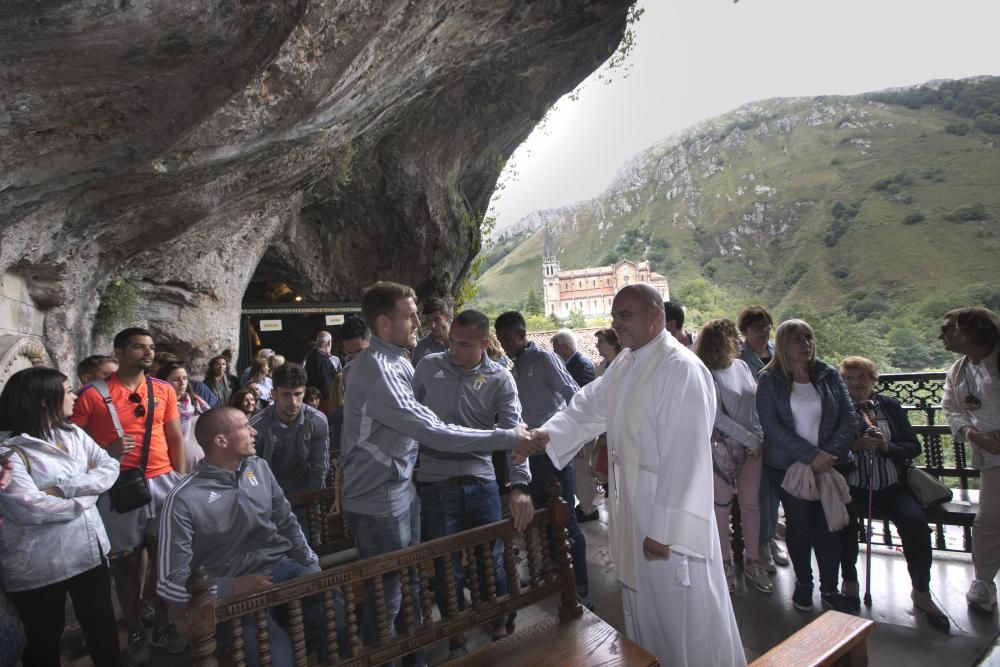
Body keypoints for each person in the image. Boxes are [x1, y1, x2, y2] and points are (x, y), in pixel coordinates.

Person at [520, 283, 744, 666]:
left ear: (655, 315)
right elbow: (588, 406)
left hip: (666, 520)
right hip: (632, 510)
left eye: (625, 315)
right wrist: (548, 434)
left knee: (680, 614)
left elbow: (686, 456)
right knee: (642, 608)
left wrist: (663, 528)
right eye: (614, 316)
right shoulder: (627, 363)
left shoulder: (681, 369)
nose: (616, 324)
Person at [340, 281, 531, 661]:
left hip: (403, 488)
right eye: (410, 316)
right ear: (383, 324)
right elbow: (431, 430)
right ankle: (380, 658)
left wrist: (516, 474)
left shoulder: (398, 362)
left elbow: (426, 422)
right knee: (386, 593)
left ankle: (413, 656)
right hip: (378, 497)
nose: (419, 323)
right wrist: (508, 437)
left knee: (410, 580)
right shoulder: (380, 369)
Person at [157, 408, 341, 667]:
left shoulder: (258, 468)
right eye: (245, 426)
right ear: (221, 441)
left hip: (280, 567)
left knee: (337, 615)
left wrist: (311, 566)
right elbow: (168, 582)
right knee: (276, 658)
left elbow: (287, 521)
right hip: (229, 590)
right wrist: (231, 587)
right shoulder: (183, 499)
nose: (254, 431)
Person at [412, 309, 533, 654]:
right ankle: (456, 633)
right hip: (434, 483)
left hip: (482, 482)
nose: (453, 351)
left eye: (463, 345)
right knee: (446, 567)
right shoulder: (428, 367)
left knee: (491, 560)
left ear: (483, 343)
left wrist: (520, 486)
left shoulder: (499, 379)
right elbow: (407, 423)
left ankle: (496, 622)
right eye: (451, 341)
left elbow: (517, 436)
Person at [72, 327, 189, 663]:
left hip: (163, 481)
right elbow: (77, 448)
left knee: (164, 557)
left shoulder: (163, 389)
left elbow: (175, 437)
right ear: (119, 352)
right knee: (126, 562)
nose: (147, 352)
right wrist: (107, 451)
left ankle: (164, 622)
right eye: (138, 347)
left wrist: (179, 479)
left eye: (150, 347)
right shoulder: (92, 395)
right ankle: (135, 626)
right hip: (120, 485)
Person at [0, 367, 122, 667]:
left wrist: (66, 488)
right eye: (67, 390)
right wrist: (86, 500)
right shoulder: (10, 451)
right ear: (44, 400)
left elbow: (108, 466)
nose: (74, 395)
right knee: (43, 638)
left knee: (102, 627)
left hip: (89, 552)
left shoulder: (73, 433)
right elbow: (30, 507)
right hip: (39, 565)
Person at [838, 356, 948, 629]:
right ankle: (849, 581)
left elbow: (913, 447)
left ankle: (921, 590)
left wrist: (887, 447)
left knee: (916, 525)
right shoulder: (838, 408)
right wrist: (857, 446)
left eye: (861, 377)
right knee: (843, 525)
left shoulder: (890, 406)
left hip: (892, 486)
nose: (855, 384)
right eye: (849, 379)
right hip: (854, 485)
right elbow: (831, 450)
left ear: (873, 379)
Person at [756, 319, 856, 613]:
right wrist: (810, 455)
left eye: (809, 338)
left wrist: (829, 454)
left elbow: (848, 417)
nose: (806, 345)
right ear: (784, 344)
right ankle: (804, 584)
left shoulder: (827, 374)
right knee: (800, 527)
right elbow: (771, 425)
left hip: (829, 464)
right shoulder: (769, 380)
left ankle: (829, 588)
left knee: (829, 526)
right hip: (788, 466)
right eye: (798, 339)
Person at [494, 310, 590, 605]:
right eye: (501, 340)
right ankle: (557, 577)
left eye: (509, 339)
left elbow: (573, 394)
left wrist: (575, 435)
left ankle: (580, 587)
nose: (505, 344)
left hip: (551, 452)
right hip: (528, 455)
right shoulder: (515, 369)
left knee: (565, 520)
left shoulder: (545, 359)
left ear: (523, 335)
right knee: (544, 520)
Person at [696, 319, 772, 595]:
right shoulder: (706, 373)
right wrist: (751, 439)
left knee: (751, 506)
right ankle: (724, 562)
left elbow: (755, 405)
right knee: (722, 507)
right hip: (721, 449)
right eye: (734, 336)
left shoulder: (740, 367)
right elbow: (715, 416)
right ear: (721, 341)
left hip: (752, 448)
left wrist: (758, 437)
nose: (740, 341)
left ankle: (753, 560)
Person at [940, 306, 1000, 613]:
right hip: (992, 456)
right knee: (988, 520)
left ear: (974, 329)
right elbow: (950, 408)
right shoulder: (958, 370)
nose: (943, 335)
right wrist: (973, 435)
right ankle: (984, 583)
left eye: (950, 328)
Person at [737, 304, 788, 573]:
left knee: (776, 491)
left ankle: (771, 538)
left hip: (779, 429)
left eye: (767, 325)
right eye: (757, 326)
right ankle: (761, 543)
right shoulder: (739, 356)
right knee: (759, 492)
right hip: (754, 430)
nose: (764, 330)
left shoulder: (776, 352)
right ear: (745, 330)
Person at [250, 363, 329, 496]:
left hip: (306, 494)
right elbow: (248, 470)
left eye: (298, 394)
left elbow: (320, 468)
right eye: (286, 395)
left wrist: (309, 497)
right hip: (268, 496)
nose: (293, 402)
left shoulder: (317, 421)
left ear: (304, 391)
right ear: (274, 394)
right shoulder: (256, 425)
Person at [156, 362, 211, 472]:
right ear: (164, 382)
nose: (182, 383)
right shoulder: (158, 406)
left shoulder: (198, 403)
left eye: (185, 378)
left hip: (204, 460)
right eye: (176, 379)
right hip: (174, 463)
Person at [303, 331, 341, 413]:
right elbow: (326, 386)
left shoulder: (311, 357)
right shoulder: (322, 360)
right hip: (323, 406)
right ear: (329, 342)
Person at [411, 297, 451, 366]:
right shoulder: (420, 348)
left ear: (447, 317)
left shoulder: (464, 342)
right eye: (429, 320)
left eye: (437, 319)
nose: (433, 325)